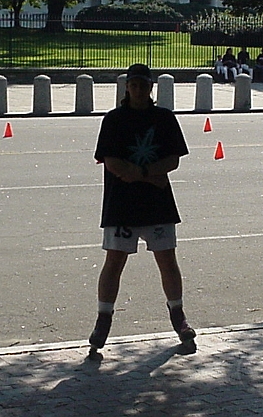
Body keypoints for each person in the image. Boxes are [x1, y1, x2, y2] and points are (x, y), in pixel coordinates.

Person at [89, 63, 195, 351]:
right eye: (133, 84)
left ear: (151, 88)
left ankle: (178, 315)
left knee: (167, 261)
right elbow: (111, 161)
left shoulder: (164, 118)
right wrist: (146, 174)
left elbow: (173, 159)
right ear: (127, 87)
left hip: (156, 204)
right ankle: (103, 319)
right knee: (114, 262)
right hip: (121, 204)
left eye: (143, 84)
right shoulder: (114, 120)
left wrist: (142, 173)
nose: (138, 89)